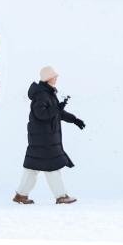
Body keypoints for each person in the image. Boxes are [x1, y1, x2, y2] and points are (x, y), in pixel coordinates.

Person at [13, 66, 85, 205]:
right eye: (54, 76)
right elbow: (42, 114)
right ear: (48, 78)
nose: (56, 78)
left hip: (42, 138)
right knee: (52, 167)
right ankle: (61, 196)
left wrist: (74, 119)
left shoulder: (47, 93)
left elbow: (56, 113)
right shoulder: (42, 95)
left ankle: (21, 195)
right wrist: (58, 107)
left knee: (32, 168)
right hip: (44, 139)